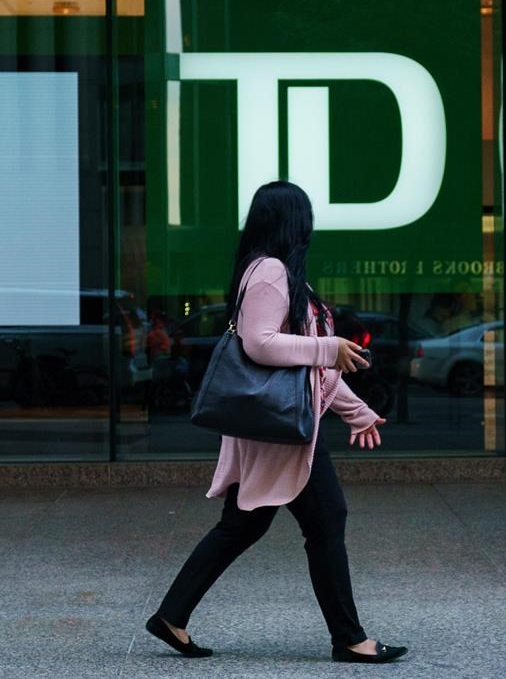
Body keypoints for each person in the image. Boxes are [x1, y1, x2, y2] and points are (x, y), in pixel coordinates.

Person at [144, 181, 408, 664]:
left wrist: (356, 409)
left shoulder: (280, 273)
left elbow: (308, 371)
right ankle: (349, 639)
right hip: (281, 430)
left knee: (245, 525)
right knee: (326, 520)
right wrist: (329, 345)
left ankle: (171, 615)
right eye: (306, 216)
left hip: (279, 426)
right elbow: (259, 343)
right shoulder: (269, 272)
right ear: (292, 221)